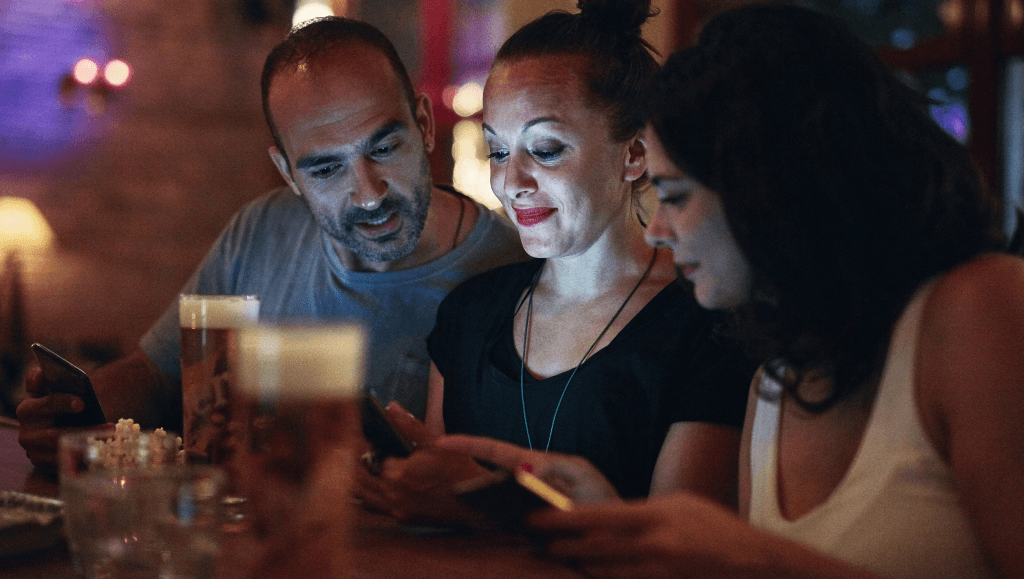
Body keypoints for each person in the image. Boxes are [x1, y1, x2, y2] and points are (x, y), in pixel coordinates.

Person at [443, 4, 1024, 578]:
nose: (662, 229)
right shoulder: (774, 372)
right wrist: (615, 519)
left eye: (674, 195)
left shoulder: (974, 309)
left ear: (769, 185)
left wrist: (752, 560)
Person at [17, 17, 526, 469]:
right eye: (326, 169)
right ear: (287, 172)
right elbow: (158, 373)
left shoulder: (514, 270)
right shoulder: (262, 231)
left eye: (385, 147)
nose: (369, 195)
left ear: (424, 124)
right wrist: (75, 418)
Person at [360, 0, 755, 522]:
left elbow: (681, 559)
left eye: (545, 149)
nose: (511, 183)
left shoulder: (705, 328)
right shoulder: (470, 314)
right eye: (498, 152)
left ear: (634, 154)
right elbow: (436, 508)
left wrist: (484, 509)